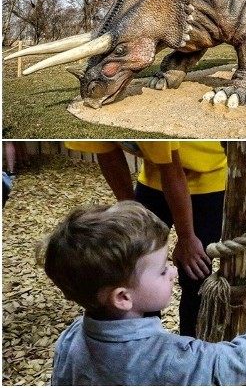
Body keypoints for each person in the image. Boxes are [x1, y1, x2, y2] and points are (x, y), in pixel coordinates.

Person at [37, 201, 246, 385]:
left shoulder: (74, 335)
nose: (174, 270)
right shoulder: (167, 358)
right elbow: (234, 363)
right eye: (162, 269)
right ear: (123, 297)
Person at [65, 141, 226, 337]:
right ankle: (143, 341)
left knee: (194, 272)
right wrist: (132, 215)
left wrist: (187, 237)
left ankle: (191, 347)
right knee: (137, 267)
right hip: (153, 175)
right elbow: (107, 154)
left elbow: (172, 170)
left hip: (205, 179)